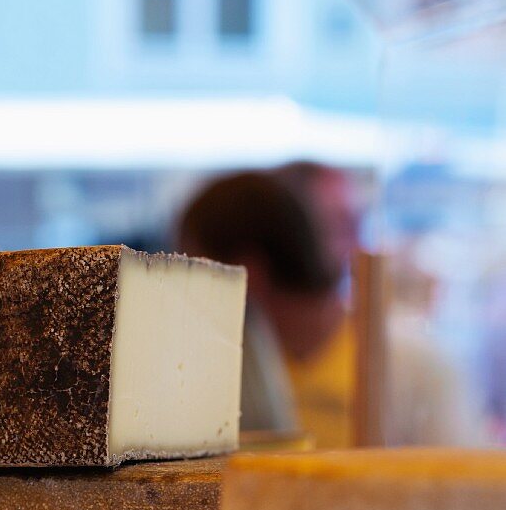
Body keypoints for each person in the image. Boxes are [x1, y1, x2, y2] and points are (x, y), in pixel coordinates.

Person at [178, 169, 489, 448]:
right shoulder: (230, 364)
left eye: (195, 267)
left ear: (247, 270)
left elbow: (464, 494)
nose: (187, 292)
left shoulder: (414, 362)